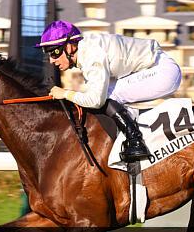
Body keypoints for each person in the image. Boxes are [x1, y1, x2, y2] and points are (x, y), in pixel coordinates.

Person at [35, 20, 182, 163]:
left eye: (54, 53)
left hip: (163, 72)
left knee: (106, 95)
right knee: (103, 93)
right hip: (154, 68)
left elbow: (96, 101)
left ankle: (135, 141)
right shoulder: (86, 50)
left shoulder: (91, 55)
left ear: (69, 47)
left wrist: (65, 93)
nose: (51, 61)